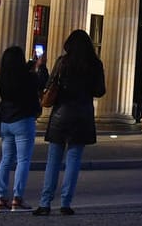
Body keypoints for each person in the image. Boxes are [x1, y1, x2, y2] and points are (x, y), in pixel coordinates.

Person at [33, 28, 105, 216]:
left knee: (53, 161)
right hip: (82, 116)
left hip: (60, 116)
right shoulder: (95, 64)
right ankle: (65, 203)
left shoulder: (62, 62)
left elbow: (50, 85)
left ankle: (45, 203)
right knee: (73, 161)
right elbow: (100, 91)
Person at [0, 45, 41, 212]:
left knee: (5, 160)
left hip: (6, 121)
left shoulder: (3, 78)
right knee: (23, 160)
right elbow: (39, 85)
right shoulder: (28, 77)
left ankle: (1, 198)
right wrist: (39, 67)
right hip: (23, 121)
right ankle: (17, 198)